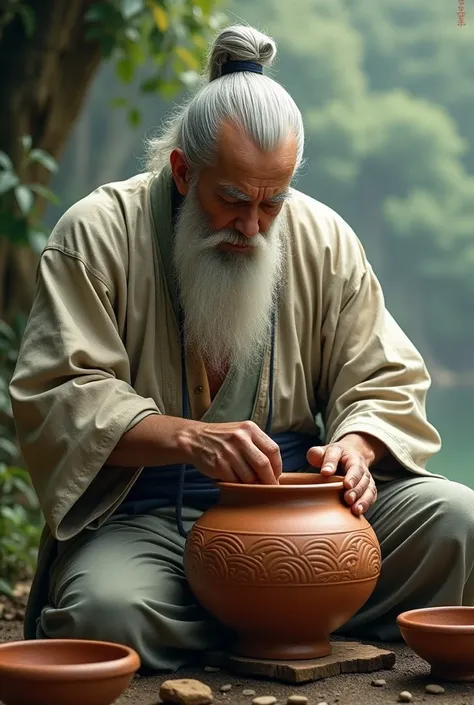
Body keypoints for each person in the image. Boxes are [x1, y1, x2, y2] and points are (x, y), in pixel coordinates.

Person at [9, 25, 474, 672]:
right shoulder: (96, 236)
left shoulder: (323, 240)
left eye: (271, 203)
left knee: (457, 521)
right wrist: (187, 438)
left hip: (303, 517)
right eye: (230, 199)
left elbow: (383, 375)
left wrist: (357, 446)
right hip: (150, 521)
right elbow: (59, 391)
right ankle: (288, 619)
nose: (251, 227)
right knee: (106, 615)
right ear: (181, 170)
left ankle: (262, 617)